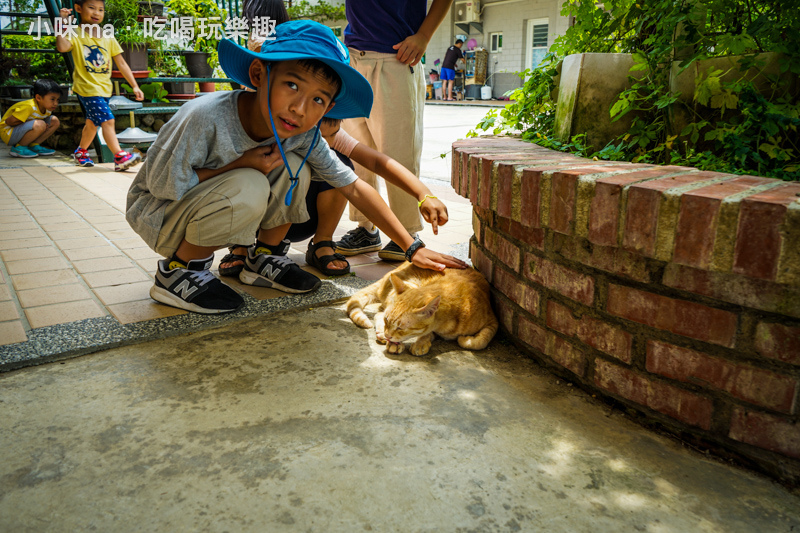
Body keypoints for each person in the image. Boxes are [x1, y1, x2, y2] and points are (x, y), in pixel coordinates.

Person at [126, 20, 467, 315]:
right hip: (160, 213)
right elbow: (163, 185)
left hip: (205, 206)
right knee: (250, 182)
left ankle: (263, 257)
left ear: (330, 107)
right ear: (259, 74)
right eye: (292, 85)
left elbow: (352, 186)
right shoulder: (205, 117)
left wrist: (413, 248)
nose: (301, 109)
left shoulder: (302, 135)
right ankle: (179, 271)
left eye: (318, 99)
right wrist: (243, 163)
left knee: (296, 166)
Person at [218, 117, 451, 277]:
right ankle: (243, 244)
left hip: (303, 219)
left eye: (333, 135)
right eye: (323, 137)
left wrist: (423, 194)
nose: (327, 144)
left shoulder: (328, 133)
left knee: (341, 164)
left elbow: (376, 162)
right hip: (259, 219)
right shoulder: (268, 131)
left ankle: (322, 243)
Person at [335, 0, 453, 261]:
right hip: (353, 56)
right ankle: (365, 227)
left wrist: (424, 36)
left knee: (398, 151)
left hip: (397, 55)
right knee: (357, 153)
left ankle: (407, 232)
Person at [55, 0, 144, 171]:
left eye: (101, 9)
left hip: (104, 88)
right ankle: (119, 157)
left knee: (92, 124)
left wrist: (134, 85)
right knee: (108, 120)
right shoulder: (75, 33)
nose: (97, 13)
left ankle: (81, 152)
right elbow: (62, 46)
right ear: (79, 8)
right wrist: (62, 22)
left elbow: (122, 63)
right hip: (87, 87)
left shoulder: (108, 36)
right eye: (92, 8)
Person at [0, 79, 61, 158]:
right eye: (52, 99)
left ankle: (34, 145)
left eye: (57, 100)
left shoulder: (47, 109)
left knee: (54, 121)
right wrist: (34, 124)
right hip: (8, 133)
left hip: (19, 131)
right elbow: (9, 121)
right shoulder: (29, 107)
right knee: (40, 124)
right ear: (38, 98)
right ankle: (18, 148)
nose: (55, 103)